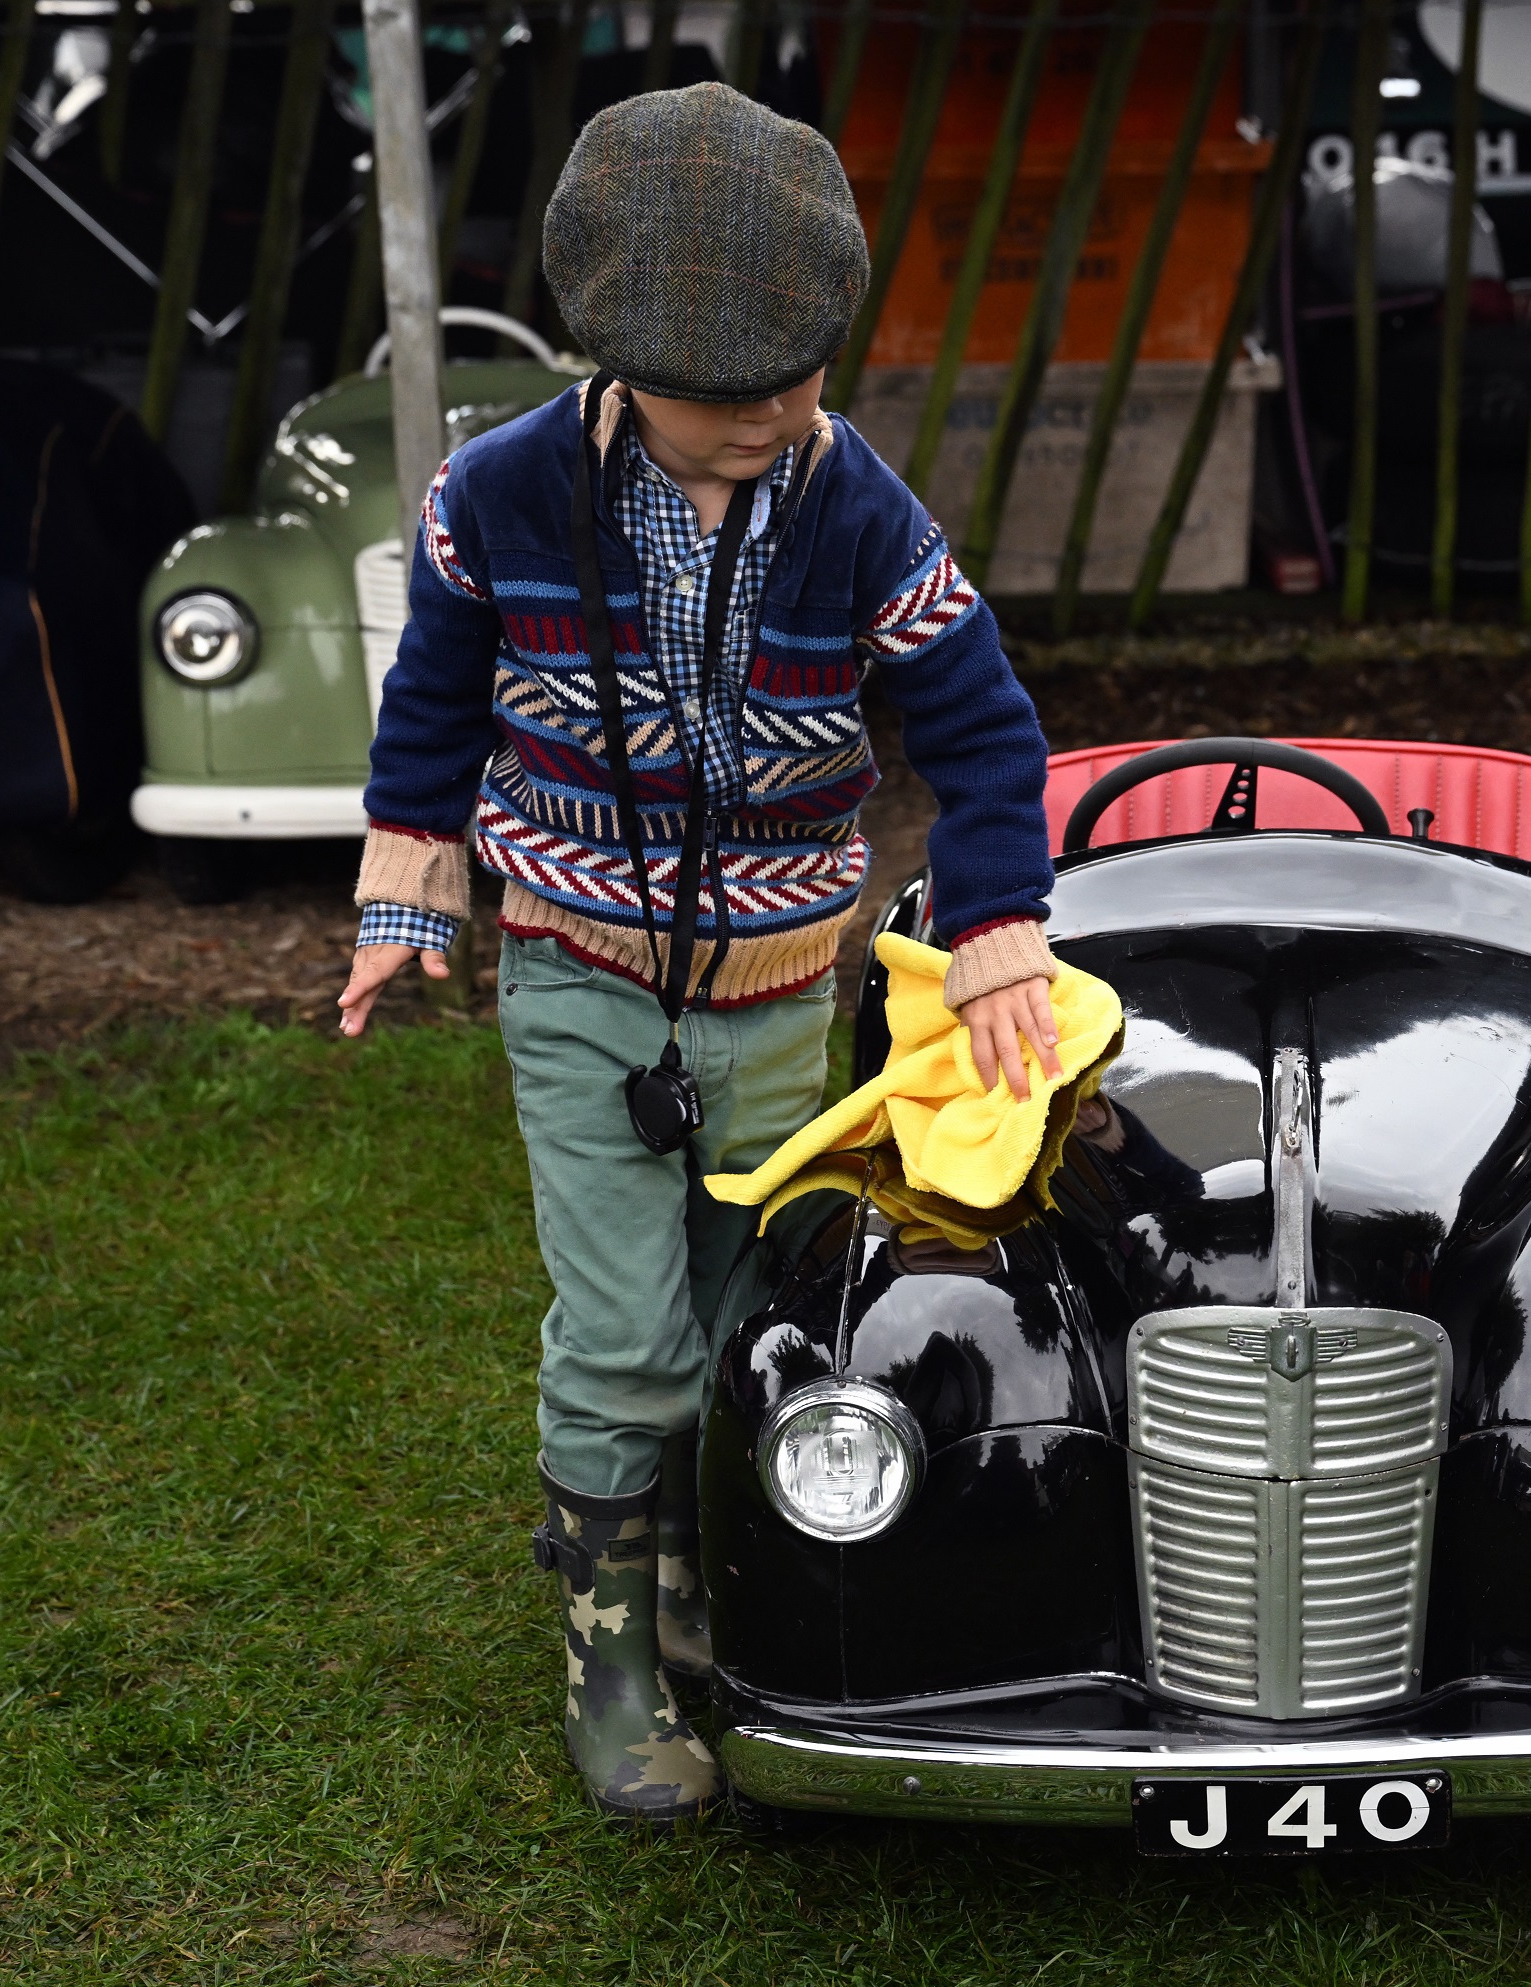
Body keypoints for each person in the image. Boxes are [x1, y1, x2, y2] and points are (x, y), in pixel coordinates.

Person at [334, 82, 1064, 1826]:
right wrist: (399, 892)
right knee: (626, 1334)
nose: (787, 415)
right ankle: (606, 1642)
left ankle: (693, 1568)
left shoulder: (858, 510)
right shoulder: (494, 502)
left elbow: (981, 731)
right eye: (742, 397)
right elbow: (431, 714)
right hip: (578, 974)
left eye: (810, 374)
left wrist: (997, 926)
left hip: (769, 989)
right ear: (621, 369)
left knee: (748, 1307)